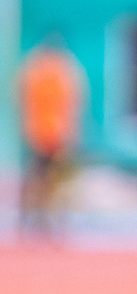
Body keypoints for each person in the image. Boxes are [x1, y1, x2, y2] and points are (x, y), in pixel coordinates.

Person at [16, 33, 85, 236]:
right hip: (49, 134)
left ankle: (45, 221)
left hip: (48, 134)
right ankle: (41, 220)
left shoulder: (36, 70)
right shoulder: (60, 71)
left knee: (48, 181)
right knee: (46, 181)